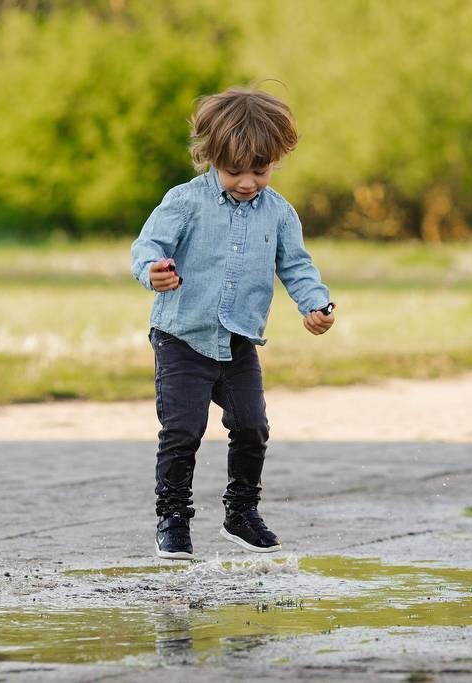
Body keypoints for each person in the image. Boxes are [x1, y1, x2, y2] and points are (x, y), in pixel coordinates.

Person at [130, 86, 335, 560]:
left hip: (240, 340)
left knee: (252, 426)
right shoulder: (184, 201)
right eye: (234, 170)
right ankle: (173, 520)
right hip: (182, 337)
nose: (247, 182)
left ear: (276, 160)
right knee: (183, 429)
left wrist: (317, 305)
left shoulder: (280, 213)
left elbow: (297, 266)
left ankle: (241, 514)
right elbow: (148, 247)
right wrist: (153, 271)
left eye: (259, 171)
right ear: (209, 156)